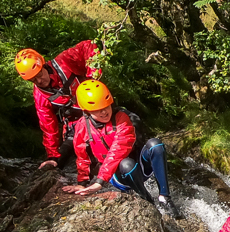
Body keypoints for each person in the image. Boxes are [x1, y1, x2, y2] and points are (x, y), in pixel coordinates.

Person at [61, 79, 183, 219]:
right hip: (119, 175)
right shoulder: (82, 127)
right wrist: (82, 183)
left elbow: (119, 148)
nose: (104, 112)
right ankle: (148, 202)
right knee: (126, 164)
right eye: (97, 110)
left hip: (139, 167)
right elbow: (83, 157)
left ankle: (164, 197)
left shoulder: (122, 117)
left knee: (155, 144)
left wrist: (99, 181)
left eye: (106, 106)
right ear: (87, 112)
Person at [14, 41, 100, 171]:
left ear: (43, 66)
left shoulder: (64, 61)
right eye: (33, 80)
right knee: (66, 154)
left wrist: (93, 79)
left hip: (98, 109)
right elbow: (48, 126)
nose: (39, 81)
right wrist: (52, 156)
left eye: (39, 75)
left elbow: (88, 45)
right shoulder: (40, 95)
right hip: (76, 123)